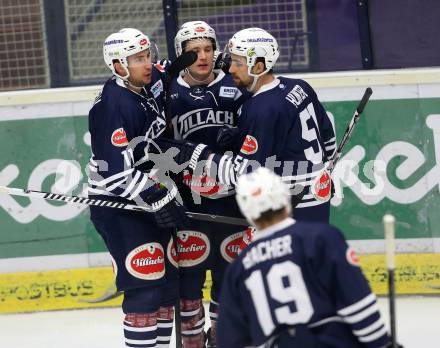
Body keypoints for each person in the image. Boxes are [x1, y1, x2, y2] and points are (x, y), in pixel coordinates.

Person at [156, 27, 337, 225]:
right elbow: (328, 138)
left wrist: (199, 154)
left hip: (292, 203)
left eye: (237, 63)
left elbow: (242, 175)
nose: (230, 68)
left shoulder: (260, 108)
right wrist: (327, 172)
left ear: (258, 66)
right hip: (318, 194)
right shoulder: (299, 86)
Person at [88, 28, 188, 348]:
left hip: (148, 197)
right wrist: (159, 196)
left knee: (167, 289)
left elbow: (163, 69)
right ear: (118, 66)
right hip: (120, 207)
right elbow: (116, 177)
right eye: (138, 59)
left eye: (148, 56)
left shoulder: (147, 81)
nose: (148, 64)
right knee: (145, 290)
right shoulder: (112, 107)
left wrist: (208, 61)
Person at [216, 167, 391, 348]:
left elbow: (230, 340)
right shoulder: (321, 239)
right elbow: (358, 303)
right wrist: (381, 343)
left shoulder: (238, 268)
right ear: (285, 198)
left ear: (248, 213)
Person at [169, 21, 250, 348]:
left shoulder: (235, 85)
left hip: (231, 199)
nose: (202, 57)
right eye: (193, 52)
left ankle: (220, 337)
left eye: (208, 49)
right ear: (180, 56)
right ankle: (191, 341)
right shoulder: (167, 91)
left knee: (228, 272)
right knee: (189, 278)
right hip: (189, 202)